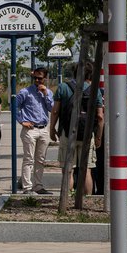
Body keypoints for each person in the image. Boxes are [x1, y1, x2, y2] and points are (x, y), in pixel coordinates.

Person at [49, 62, 103, 195]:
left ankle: (67, 199)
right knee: (86, 171)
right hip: (87, 134)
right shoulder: (95, 90)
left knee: (68, 169)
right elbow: (100, 117)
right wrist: (98, 137)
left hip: (67, 133)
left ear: (74, 72)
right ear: (90, 74)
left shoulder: (63, 87)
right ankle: (87, 201)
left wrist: (52, 129)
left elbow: (55, 111)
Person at [15, 67, 54, 194]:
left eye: (40, 78)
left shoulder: (48, 92)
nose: (37, 80)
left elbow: (51, 108)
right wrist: (22, 121)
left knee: (40, 160)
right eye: (35, 78)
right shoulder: (25, 92)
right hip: (30, 129)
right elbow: (14, 106)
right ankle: (27, 187)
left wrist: (46, 94)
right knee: (29, 158)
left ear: (45, 78)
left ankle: (38, 186)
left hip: (43, 129)